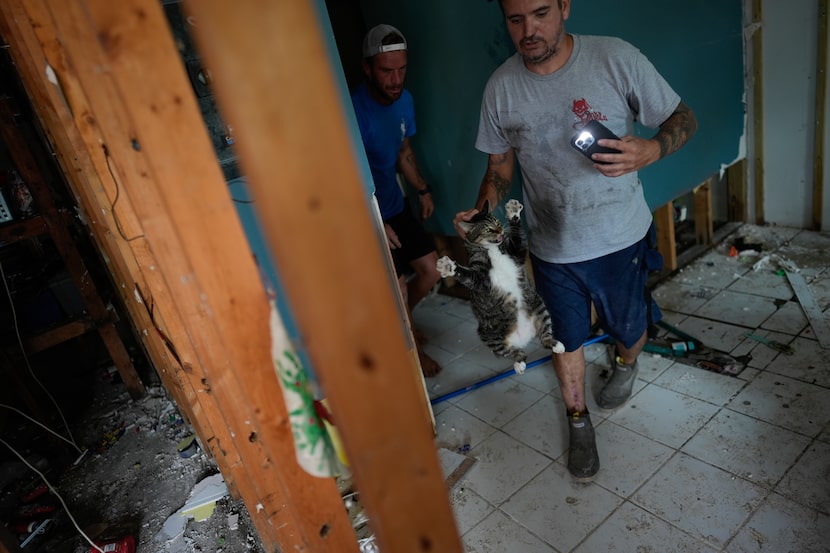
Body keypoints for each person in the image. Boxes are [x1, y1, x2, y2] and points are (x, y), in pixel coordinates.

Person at [454, 0, 697, 480]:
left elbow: (682, 118)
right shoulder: (501, 87)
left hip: (620, 238)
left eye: (541, 13)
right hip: (552, 247)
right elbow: (499, 168)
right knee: (566, 340)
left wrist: (650, 149)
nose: (529, 30)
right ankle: (578, 420)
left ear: (565, 6)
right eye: (516, 19)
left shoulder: (615, 58)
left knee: (629, 329)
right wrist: (482, 218)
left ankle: (627, 364)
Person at [351, 24, 443, 376]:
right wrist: (375, 220)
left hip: (394, 203)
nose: (395, 79)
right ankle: (413, 352)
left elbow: (403, 150)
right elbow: (342, 173)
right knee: (398, 287)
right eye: (386, 71)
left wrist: (422, 188)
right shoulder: (354, 112)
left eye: (401, 69)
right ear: (367, 68)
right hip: (367, 211)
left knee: (431, 270)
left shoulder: (404, 100)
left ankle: (405, 323)